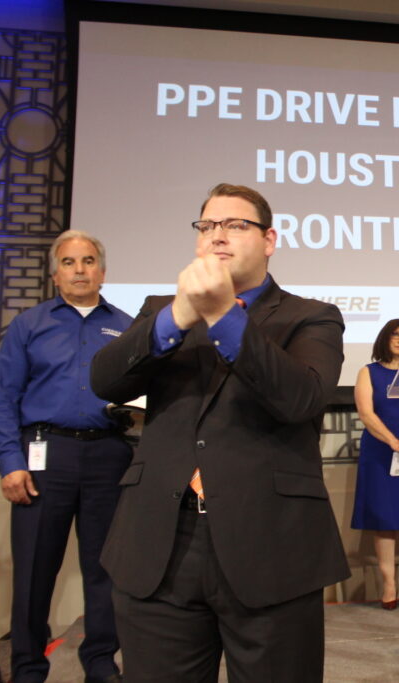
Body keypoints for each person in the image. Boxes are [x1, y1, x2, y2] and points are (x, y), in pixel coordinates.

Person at [89, 183, 349, 682]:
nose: (218, 236)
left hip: (270, 544)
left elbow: (300, 399)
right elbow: (105, 379)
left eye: (235, 225)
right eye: (207, 226)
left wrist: (224, 314)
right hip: (161, 544)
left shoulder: (311, 316)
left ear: (269, 240)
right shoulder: (160, 311)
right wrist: (180, 315)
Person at [0, 230, 133, 683]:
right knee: (34, 569)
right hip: (42, 456)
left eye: (88, 261)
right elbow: (2, 399)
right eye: (70, 263)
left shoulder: (127, 327)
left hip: (109, 455)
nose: (80, 270)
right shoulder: (29, 325)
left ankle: (99, 661)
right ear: (55, 274)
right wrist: (11, 461)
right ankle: (29, 667)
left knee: (105, 569)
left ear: (103, 272)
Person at [350, 318, 399, 610]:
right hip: (381, 453)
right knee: (384, 522)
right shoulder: (368, 372)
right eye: (396, 334)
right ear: (385, 337)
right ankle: (389, 585)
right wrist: (392, 441)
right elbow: (366, 413)